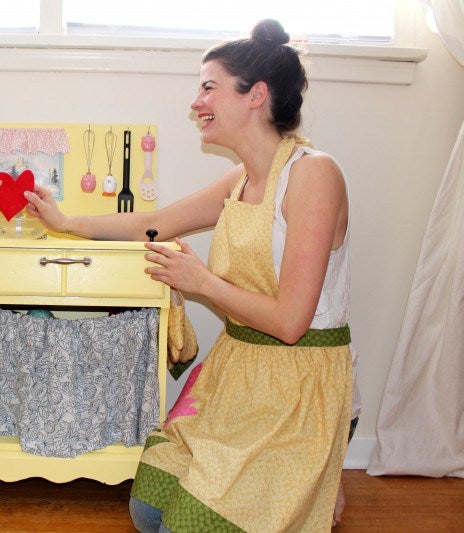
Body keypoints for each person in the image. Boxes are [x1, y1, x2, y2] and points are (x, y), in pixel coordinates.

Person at [24, 19, 355, 532]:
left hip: (299, 382)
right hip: (240, 372)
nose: (195, 102)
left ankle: (316, 482)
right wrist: (67, 223)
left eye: (207, 87)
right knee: (147, 511)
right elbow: (152, 224)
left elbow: (291, 322)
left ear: (255, 95)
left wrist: (200, 282)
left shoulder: (314, 173)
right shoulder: (240, 178)